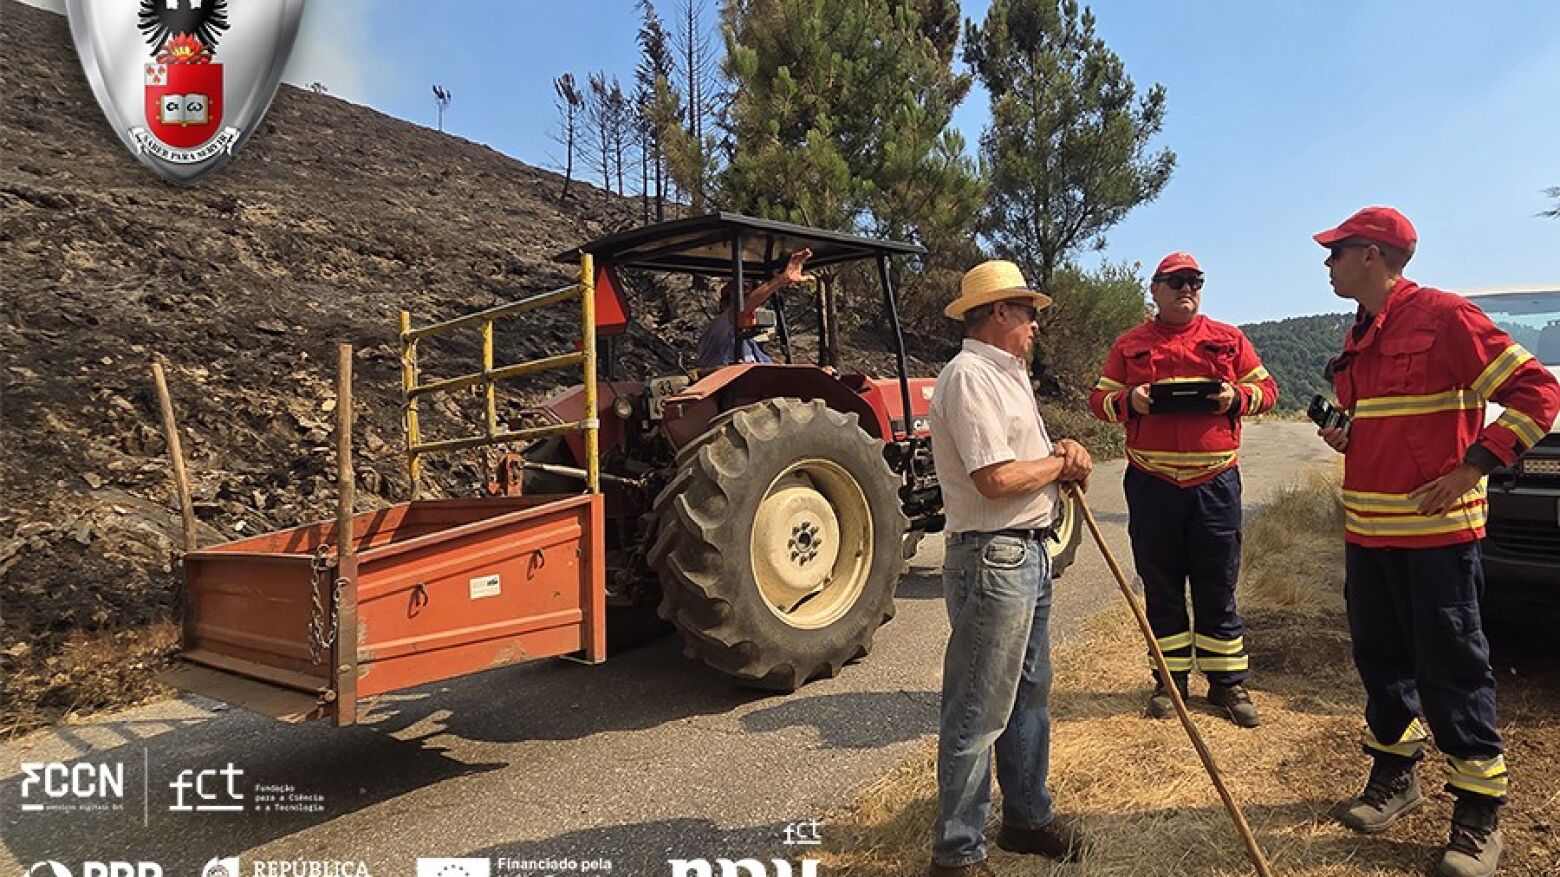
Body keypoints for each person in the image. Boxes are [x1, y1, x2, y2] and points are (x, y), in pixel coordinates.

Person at [1312, 206, 1559, 877]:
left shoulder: (1446, 317)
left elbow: (1539, 393)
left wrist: (1473, 466)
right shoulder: (1358, 334)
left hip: (1437, 540)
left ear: (1372, 254)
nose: (1327, 263)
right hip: (1368, 534)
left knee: (1452, 671)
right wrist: (1347, 433)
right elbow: (1385, 426)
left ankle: (1479, 816)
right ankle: (1396, 776)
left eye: (1337, 252)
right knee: (1381, 662)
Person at [926, 259, 1093, 876]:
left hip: (1022, 553)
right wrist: (1060, 466)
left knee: (1027, 694)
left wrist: (1062, 456)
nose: (1034, 326)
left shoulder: (1006, 374)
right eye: (1028, 313)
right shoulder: (970, 376)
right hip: (994, 555)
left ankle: (1026, 819)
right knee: (978, 706)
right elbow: (995, 479)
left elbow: (1023, 461)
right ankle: (958, 850)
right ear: (1000, 312)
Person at [1088, 252, 1277, 728]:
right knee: (1162, 586)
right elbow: (1097, 401)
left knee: (1218, 585)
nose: (1186, 288)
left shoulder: (1228, 340)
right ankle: (1169, 684)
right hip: (1153, 484)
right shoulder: (1130, 344)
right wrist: (1128, 400)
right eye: (1175, 282)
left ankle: (1226, 683)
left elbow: (1267, 390)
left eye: (1194, 281)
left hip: (1215, 483)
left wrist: (1238, 396)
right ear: (1155, 290)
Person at [694, 247, 814, 369]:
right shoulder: (717, 331)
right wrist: (782, 279)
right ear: (725, 304)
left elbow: (769, 371)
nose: (752, 308)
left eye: (754, 302)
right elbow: (740, 311)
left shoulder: (749, 344)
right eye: (744, 299)